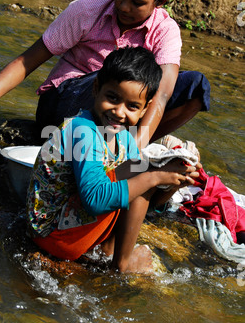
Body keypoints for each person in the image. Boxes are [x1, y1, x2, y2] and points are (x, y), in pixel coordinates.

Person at [0, 0, 210, 150]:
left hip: (117, 112)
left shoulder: (165, 31)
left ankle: (127, 147)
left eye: (136, 2)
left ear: (160, 1)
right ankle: (111, 146)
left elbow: (162, 95)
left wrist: (132, 153)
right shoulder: (86, 11)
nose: (123, 6)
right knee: (115, 80)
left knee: (195, 86)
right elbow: (28, 60)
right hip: (64, 103)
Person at [27, 47, 200, 273]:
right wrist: (155, 176)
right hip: (51, 235)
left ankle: (108, 251)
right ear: (96, 88)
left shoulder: (125, 140)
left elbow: (148, 207)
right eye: (112, 98)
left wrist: (174, 181)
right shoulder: (83, 131)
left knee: (142, 173)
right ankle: (120, 265)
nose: (119, 112)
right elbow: (94, 200)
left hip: (70, 230)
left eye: (132, 106)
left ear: (145, 109)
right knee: (142, 175)